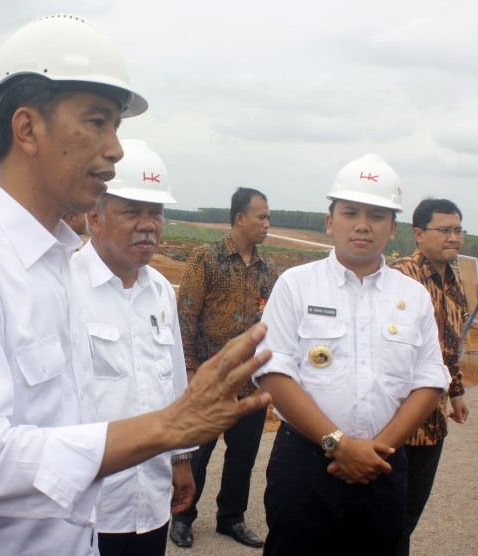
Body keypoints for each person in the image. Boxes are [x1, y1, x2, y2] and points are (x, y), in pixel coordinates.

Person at [0, 14, 271, 556]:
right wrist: (170, 426)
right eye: (97, 122)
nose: (115, 149)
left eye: (115, 127)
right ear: (27, 129)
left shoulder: (57, 264)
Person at [253, 153, 450, 556]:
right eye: (350, 212)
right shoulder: (296, 285)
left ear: (393, 228)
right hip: (307, 464)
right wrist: (338, 444)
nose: (363, 224)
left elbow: (429, 380)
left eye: (377, 215)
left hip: (384, 465)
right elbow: (274, 371)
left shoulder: (412, 296)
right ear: (330, 221)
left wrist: (375, 452)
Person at [72, 139, 195, 556]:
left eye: (156, 212)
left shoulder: (160, 290)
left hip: (152, 497)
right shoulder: (64, 288)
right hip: (89, 506)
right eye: (131, 211)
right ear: (95, 217)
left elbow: (173, 382)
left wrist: (180, 459)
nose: (148, 224)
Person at [171, 187, 277, 549]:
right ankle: (183, 516)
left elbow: (271, 325)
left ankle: (231, 518)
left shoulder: (268, 269)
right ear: (239, 219)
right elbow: (185, 316)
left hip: (250, 385)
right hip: (208, 381)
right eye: (261, 216)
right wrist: (189, 369)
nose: (267, 223)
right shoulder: (207, 258)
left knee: (242, 458)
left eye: (268, 216)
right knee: (198, 455)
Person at [389, 198, 470, 555]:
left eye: (458, 230)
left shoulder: (455, 282)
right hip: (393, 416)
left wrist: (456, 392)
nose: (453, 238)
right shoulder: (398, 277)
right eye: (445, 230)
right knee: (383, 508)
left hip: (432, 420)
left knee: (409, 510)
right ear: (418, 234)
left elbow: (449, 346)